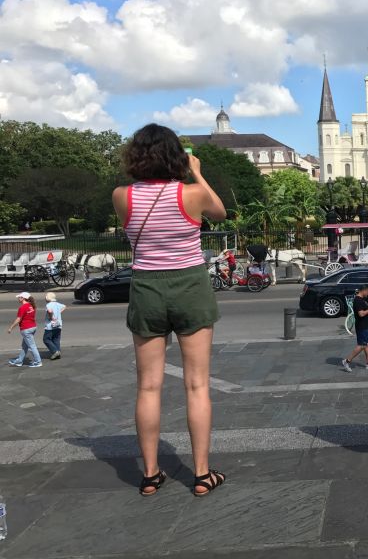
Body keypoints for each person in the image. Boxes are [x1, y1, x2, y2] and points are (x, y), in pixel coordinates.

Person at [112, 123, 228, 497]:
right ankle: (200, 474)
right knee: (196, 384)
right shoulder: (191, 194)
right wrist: (196, 171)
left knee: (148, 385)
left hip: (146, 287)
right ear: (175, 156)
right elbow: (221, 213)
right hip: (190, 285)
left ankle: (149, 474)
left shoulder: (122, 196)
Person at [341, 284, 368, 372]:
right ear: (364, 290)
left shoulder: (362, 300)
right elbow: (361, 314)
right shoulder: (357, 301)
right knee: (362, 345)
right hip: (362, 326)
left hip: (366, 325)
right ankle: (347, 361)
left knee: (367, 343)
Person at [7, 292, 41, 368]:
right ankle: (19, 361)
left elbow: (18, 319)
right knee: (24, 346)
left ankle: (38, 362)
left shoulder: (22, 307)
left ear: (23, 298)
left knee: (32, 346)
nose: (18, 298)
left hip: (26, 329)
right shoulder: (31, 306)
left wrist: (11, 327)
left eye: (19, 297)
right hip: (33, 327)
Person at [43, 291, 67, 360]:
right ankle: (58, 353)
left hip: (50, 325)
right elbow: (65, 306)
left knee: (46, 339)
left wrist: (51, 317)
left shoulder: (48, 305)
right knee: (56, 339)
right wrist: (59, 313)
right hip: (58, 324)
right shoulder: (57, 304)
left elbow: (50, 311)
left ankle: (55, 351)